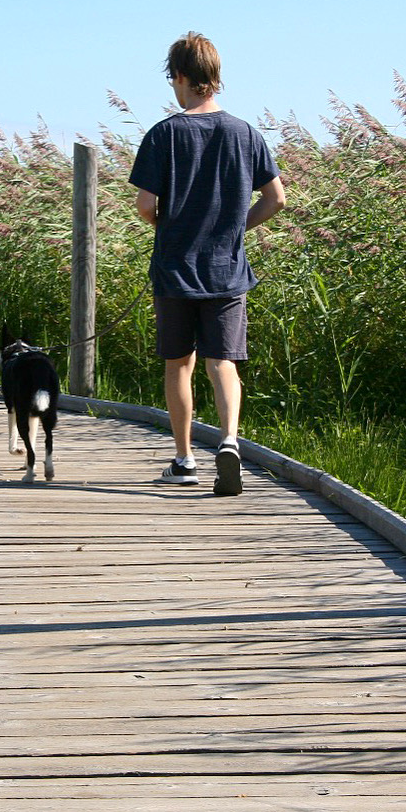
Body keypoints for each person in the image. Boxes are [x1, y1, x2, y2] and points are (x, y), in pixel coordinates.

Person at [128, 32, 286, 495]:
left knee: (179, 364)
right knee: (224, 363)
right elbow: (276, 198)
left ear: (179, 76)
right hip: (226, 270)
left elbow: (143, 204)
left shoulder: (164, 134)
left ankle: (184, 459)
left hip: (176, 268)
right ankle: (230, 442)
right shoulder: (245, 133)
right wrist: (236, 229)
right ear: (214, 77)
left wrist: (166, 226)